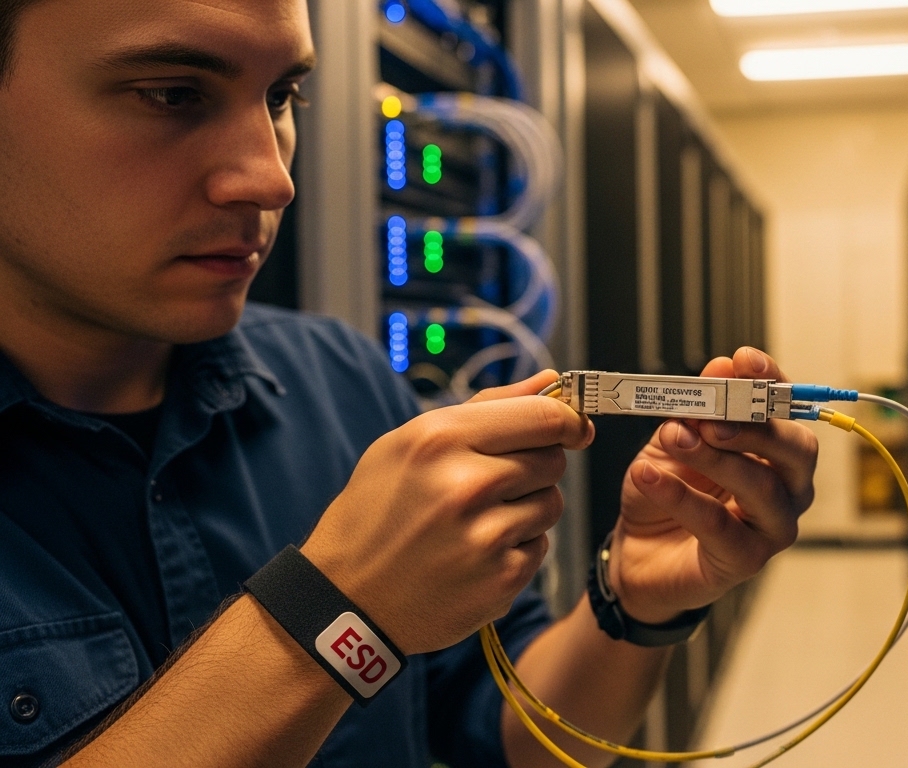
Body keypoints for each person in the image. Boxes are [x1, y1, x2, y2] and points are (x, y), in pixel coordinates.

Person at [0, 1, 818, 766]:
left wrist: (633, 602)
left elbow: (513, 735)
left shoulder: (340, 380)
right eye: (173, 95)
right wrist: (338, 605)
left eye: (282, 96)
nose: (272, 179)